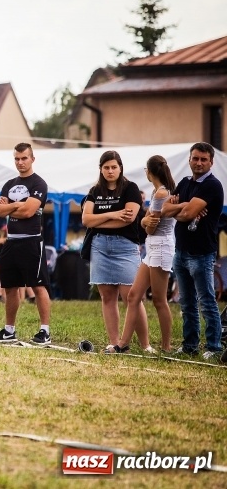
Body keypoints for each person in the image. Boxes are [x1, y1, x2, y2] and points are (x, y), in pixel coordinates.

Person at [162, 142, 224, 359]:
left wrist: (181, 209)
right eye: (195, 158)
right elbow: (165, 209)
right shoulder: (185, 182)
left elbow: (187, 214)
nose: (199, 163)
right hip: (180, 252)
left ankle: (214, 347)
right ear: (189, 160)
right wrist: (184, 206)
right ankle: (190, 346)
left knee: (206, 302)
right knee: (187, 303)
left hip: (202, 254)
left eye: (203, 159)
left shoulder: (212, 185)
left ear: (211, 162)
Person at [81, 150, 144, 353]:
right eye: (106, 167)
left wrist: (99, 221)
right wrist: (114, 214)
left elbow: (128, 219)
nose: (110, 171)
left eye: (114, 167)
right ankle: (115, 343)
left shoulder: (130, 188)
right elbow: (86, 220)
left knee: (131, 297)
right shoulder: (94, 191)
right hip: (99, 246)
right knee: (107, 297)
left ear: (120, 168)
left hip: (125, 246)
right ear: (101, 169)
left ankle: (145, 345)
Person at [0, 143, 52, 345]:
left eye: (24, 158)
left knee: (38, 286)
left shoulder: (39, 184)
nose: (20, 162)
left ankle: (44, 331)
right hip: (12, 241)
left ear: (32, 159)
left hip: (32, 241)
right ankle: (9, 330)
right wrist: (18, 204)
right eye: (17, 158)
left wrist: (11, 206)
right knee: (9, 287)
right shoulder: (9, 184)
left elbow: (28, 212)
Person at [117, 156, 176, 353]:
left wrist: (144, 222)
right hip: (152, 248)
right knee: (134, 295)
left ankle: (166, 347)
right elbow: (146, 221)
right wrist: (145, 221)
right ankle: (123, 343)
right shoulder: (157, 192)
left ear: (148, 172)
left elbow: (150, 227)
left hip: (161, 247)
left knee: (159, 300)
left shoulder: (161, 193)